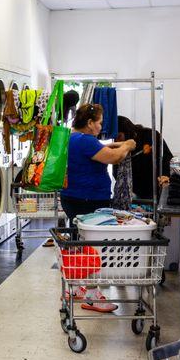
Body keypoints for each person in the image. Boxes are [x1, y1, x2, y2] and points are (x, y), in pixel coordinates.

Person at [60, 104, 136, 313]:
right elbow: (113, 157)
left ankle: (74, 289)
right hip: (88, 199)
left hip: (72, 197)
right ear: (90, 123)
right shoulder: (85, 141)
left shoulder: (71, 137)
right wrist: (128, 145)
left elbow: (101, 149)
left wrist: (118, 144)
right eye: (100, 122)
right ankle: (93, 295)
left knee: (79, 244)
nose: (101, 126)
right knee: (93, 249)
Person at [116, 116, 173, 200]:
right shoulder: (118, 145)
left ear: (127, 131)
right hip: (134, 190)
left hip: (154, 187)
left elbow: (167, 157)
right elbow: (116, 168)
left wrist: (164, 176)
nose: (117, 141)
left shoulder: (151, 135)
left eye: (119, 136)